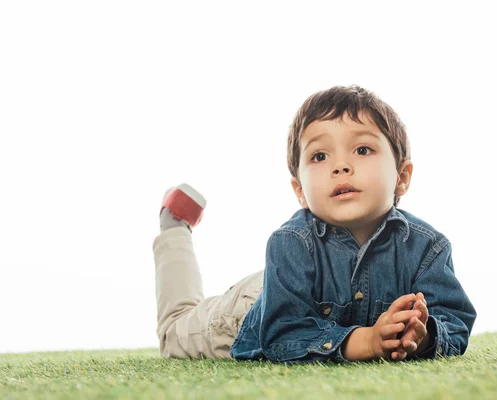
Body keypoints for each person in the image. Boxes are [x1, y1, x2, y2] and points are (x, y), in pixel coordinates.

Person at [153, 85, 477, 363]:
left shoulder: (428, 248)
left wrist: (422, 336)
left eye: (362, 149)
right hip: (250, 311)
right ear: (300, 192)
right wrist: (367, 341)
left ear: (402, 177)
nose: (340, 166)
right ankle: (174, 229)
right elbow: (282, 335)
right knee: (176, 332)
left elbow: (454, 320)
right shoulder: (288, 243)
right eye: (320, 157)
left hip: (302, 289)